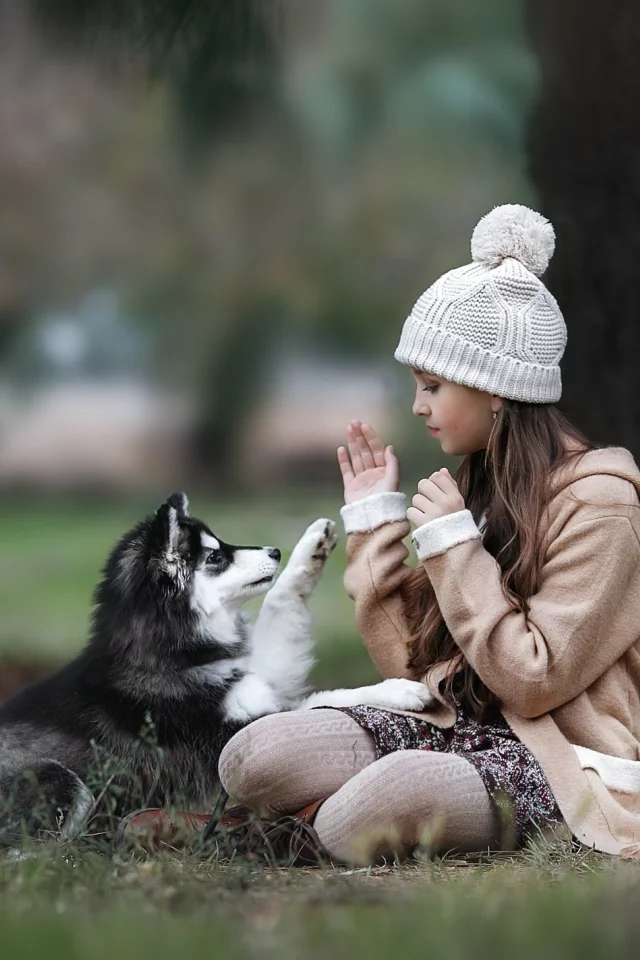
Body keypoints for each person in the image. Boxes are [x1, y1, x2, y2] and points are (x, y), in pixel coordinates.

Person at [123, 204, 640, 864]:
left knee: (370, 807)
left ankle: (280, 835)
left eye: (432, 385)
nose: (419, 406)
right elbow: (415, 675)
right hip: (455, 729)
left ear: (496, 391)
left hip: (564, 762)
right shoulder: (478, 489)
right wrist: (375, 529)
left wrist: (456, 550)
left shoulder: (602, 505)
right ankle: (299, 824)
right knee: (255, 756)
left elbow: (536, 680)